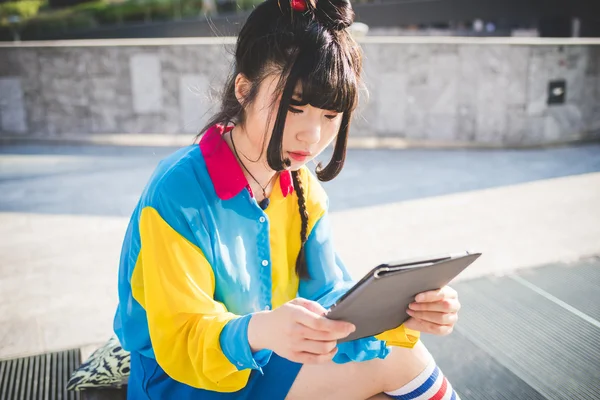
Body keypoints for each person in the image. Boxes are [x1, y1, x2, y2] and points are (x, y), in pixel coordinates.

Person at [113, 0, 462, 398]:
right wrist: (260, 329)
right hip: (183, 380)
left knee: (394, 373)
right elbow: (181, 337)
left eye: (330, 116)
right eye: (294, 107)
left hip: (270, 359)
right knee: (400, 363)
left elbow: (326, 296)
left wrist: (401, 315)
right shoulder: (179, 192)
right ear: (244, 90)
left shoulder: (301, 187)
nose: (311, 137)